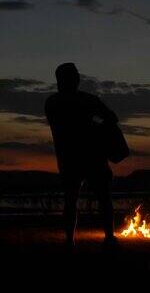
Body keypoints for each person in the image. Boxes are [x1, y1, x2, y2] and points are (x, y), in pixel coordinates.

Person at [45, 63, 119, 248]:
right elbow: (112, 118)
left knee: (71, 200)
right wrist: (94, 125)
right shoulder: (88, 100)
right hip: (92, 157)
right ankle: (108, 237)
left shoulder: (52, 102)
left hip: (67, 158)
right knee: (103, 198)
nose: (78, 78)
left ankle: (70, 240)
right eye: (75, 75)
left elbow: (61, 126)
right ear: (73, 79)